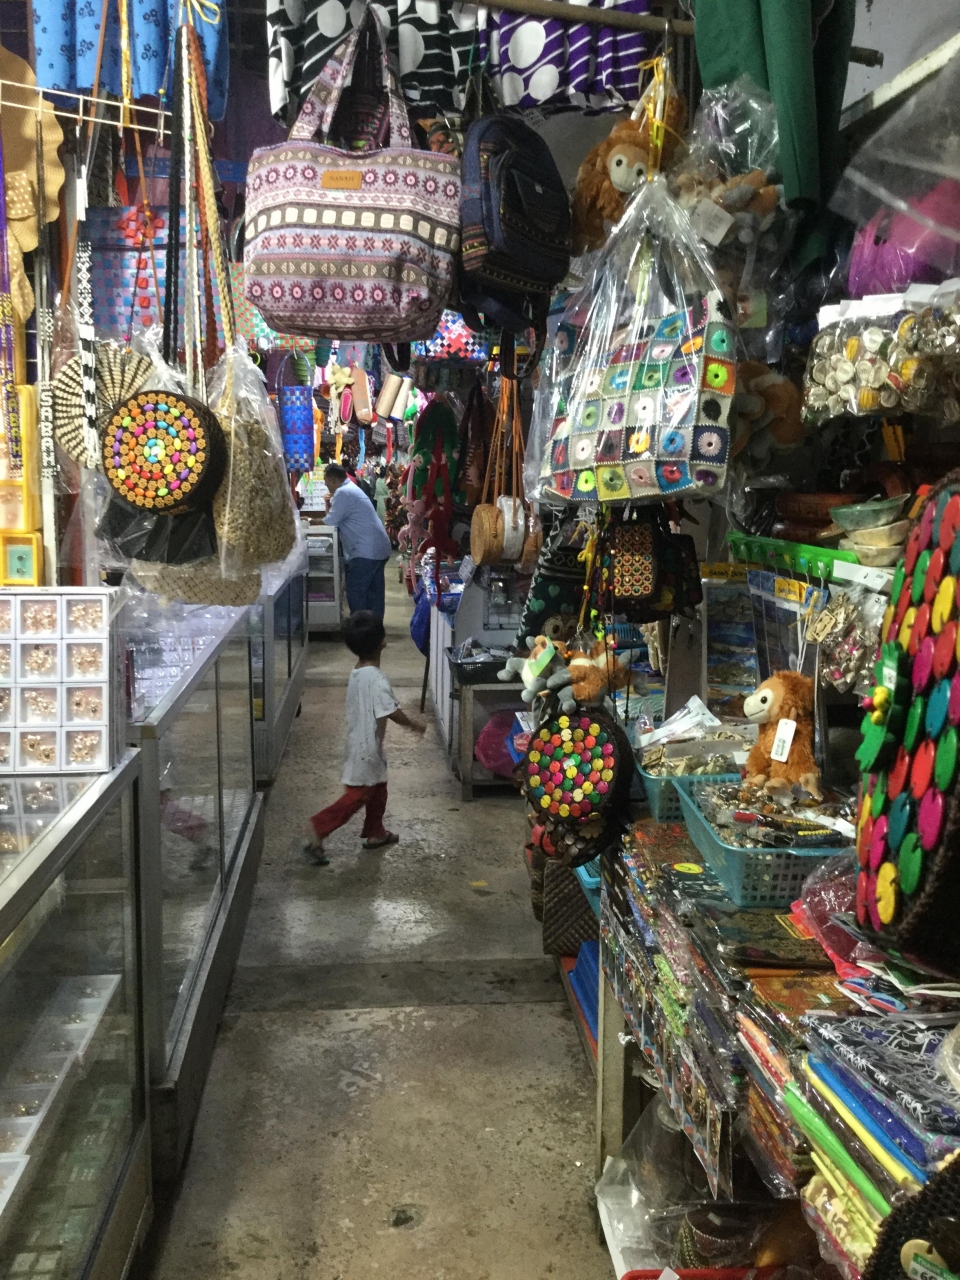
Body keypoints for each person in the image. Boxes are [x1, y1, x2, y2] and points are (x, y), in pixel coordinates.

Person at [304, 610, 425, 865]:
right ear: (383, 641)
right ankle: (319, 827)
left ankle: (375, 832)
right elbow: (390, 711)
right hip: (366, 749)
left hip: (362, 744)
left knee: (378, 790)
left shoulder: (358, 672)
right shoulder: (377, 679)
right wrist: (413, 724)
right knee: (357, 796)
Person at [323, 462, 391, 617]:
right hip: (377, 548)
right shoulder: (351, 489)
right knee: (374, 596)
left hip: (365, 552)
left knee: (357, 594)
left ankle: (360, 629)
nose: (326, 486)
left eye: (326, 482)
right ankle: (374, 629)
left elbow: (330, 522)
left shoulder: (343, 493)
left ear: (333, 480)